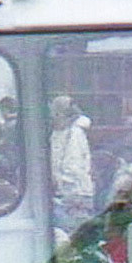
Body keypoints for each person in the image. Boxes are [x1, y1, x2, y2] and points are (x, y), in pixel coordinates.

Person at [48, 94, 94, 234]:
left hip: (75, 193)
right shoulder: (58, 133)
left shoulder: (75, 133)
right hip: (65, 193)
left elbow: (72, 165)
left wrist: (60, 183)